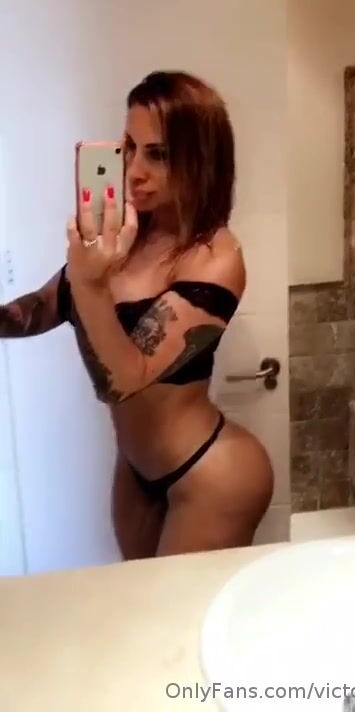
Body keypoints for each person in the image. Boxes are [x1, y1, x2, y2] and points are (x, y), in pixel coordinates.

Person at [0, 71, 274, 559]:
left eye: (158, 154)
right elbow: (36, 312)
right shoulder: (122, 239)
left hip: (210, 472)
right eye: (129, 148)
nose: (133, 171)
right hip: (135, 469)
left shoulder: (214, 258)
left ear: (200, 159)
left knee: (177, 606)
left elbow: (124, 380)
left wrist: (90, 281)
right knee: (139, 598)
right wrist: (84, 275)